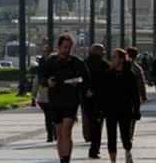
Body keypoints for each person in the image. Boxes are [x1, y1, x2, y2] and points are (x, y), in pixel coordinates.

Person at [41, 33, 90, 163]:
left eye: (69, 47)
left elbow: (86, 80)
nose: (67, 50)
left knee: (66, 131)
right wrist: (48, 82)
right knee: (59, 133)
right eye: (64, 47)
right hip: (55, 100)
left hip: (71, 100)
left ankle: (66, 160)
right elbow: (42, 78)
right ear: (59, 47)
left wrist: (77, 81)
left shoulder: (77, 62)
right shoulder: (50, 62)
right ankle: (62, 158)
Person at [103, 48, 140, 163]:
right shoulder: (108, 74)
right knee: (111, 137)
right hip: (110, 110)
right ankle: (113, 161)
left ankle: (128, 151)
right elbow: (103, 93)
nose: (112, 59)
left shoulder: (130, 75)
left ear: (121, 59)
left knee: (125, 136)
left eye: (115, 57)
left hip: (125, 109)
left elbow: (135, 94)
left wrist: (136, 110)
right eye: (112, 57)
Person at [84, 44, 109, 160]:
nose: (104, 52)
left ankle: (89, 139)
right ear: (99, 52)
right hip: (100, 100)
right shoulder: (104, 65)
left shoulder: (84, 63)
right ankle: (94, 149)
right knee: (98, 125)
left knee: (89, 121)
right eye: (102, 50)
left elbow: (80, 80)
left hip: (86, 99)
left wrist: (86, 91)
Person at [32, 45, 55, 142]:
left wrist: (33, 96)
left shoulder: (43, 65)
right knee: (50, 116)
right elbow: (36, 82)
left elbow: (36, 82)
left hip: (49, 95)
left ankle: (51, 134)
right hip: (45, 96)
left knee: (50, 116)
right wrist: (33, 96)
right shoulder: (46, 64)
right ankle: (52, 134)